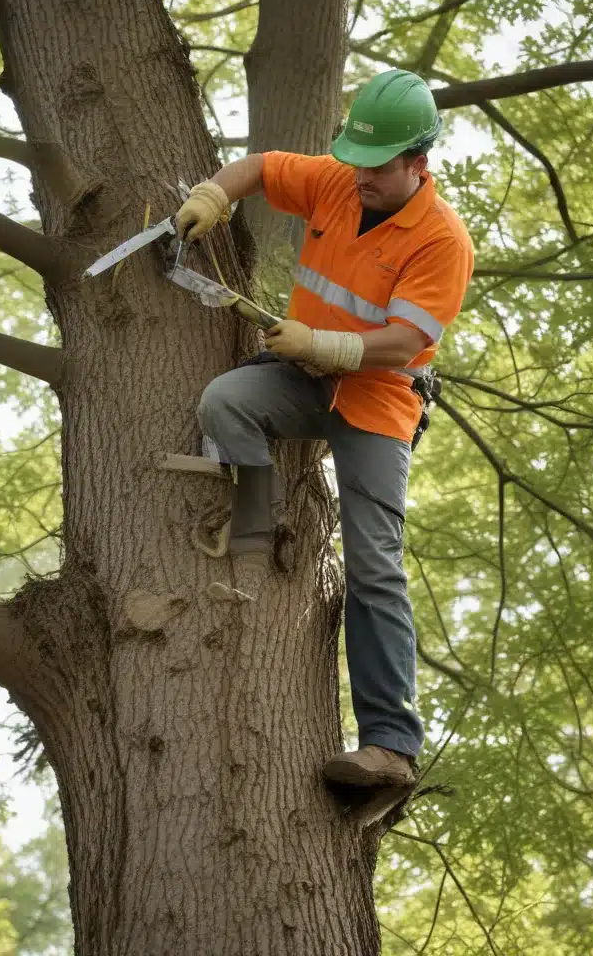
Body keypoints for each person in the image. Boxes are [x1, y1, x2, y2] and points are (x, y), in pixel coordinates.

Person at [175, 69, 474, 789]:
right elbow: (259, 167)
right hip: (304, 380)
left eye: (376, 167)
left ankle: (390, 747)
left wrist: (327, 345)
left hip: (378, 399)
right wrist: (214, 193)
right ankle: (253, 540)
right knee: (226, 402)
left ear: (417, 161)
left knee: (375, 564)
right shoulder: (339, 181)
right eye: (355, 160)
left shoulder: (442, 240)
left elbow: (404, 343)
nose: (360, 176)